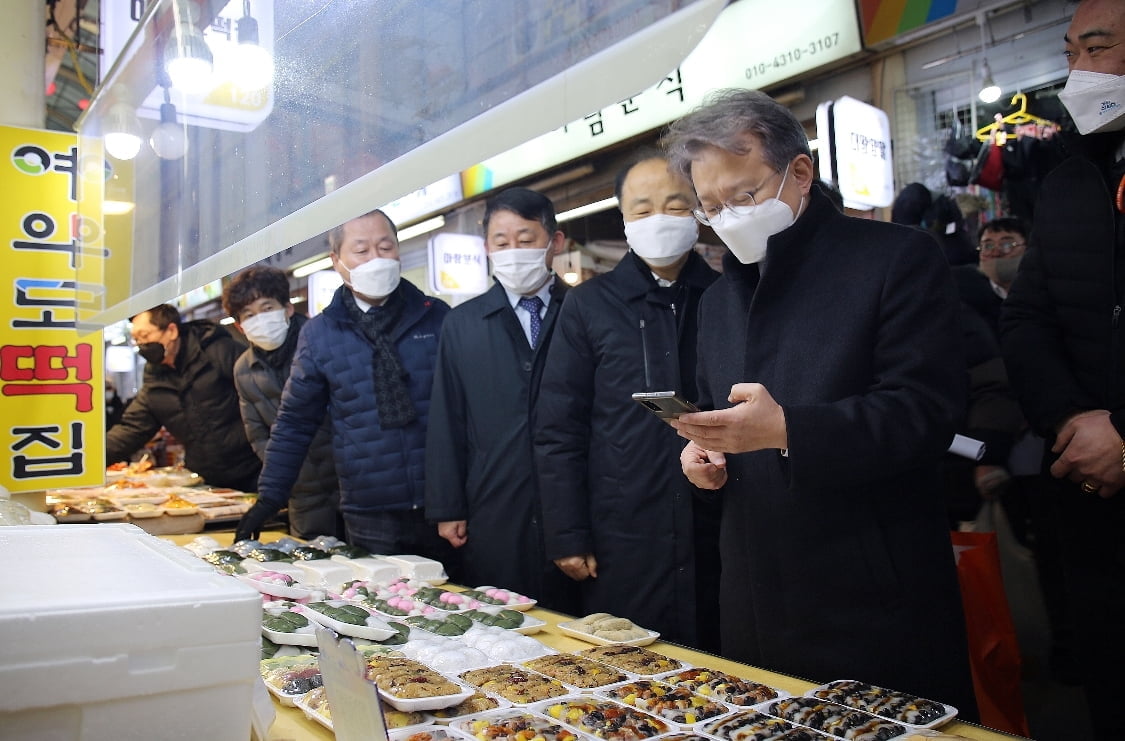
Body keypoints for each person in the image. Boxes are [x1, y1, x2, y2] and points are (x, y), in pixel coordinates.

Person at [662, 88, 976, 714]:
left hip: (872, 584)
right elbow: (728, 414)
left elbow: (926, 411)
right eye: (710, 208)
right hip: (756, 585)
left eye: (743, 196)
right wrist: (708, 451)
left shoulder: (896, 258)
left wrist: (789, 430)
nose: (727, 218)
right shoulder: (720, 299)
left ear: (799, 172)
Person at [533, 150, 720, 649]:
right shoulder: (590, 306)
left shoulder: (728, 297)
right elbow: (558, 429)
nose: (658, 218)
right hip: (623, 529)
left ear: (699, 210)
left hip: (717, 525)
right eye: (642, 208)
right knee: (632, 674)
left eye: (675, 204)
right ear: (623, 218)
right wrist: (567, 533)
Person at [1000, 1, 1125, 735]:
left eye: (1097, 46)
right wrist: (1073, 418)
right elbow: (1025, 318)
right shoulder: (1068, 180)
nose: (1076, 67)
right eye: (1069, 49)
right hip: (1087, 498)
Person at [235, 210, 455, 569]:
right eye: (362, 251)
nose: (376, 259)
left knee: (458, 609)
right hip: (370, 512)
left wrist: (462, 498)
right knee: (387, 612)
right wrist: (269, 498)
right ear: (337, 262)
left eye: (385, 247)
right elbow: (294, 422)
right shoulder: (321, 335)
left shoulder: (438, 318)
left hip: (445, 508)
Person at [425, 187, 578, 610]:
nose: (514, 251)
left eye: (526, 240)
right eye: (501, 242)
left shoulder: (585, 309)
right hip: (492, 500)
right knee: (501, 614)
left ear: (555, 242)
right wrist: (447, 506)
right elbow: (446, 420)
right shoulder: (463, 323)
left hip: (574, 502)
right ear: (487, 248)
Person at [223, 266, 342, 540]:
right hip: (302, 496)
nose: (260, 319)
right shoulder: (244, 369)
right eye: (249, 315)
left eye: (267, 308)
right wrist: (289, 477)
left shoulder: (322, 343)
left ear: (287, 308)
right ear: (240, 327)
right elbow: (258, 435)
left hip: (351, 486)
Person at [106, 304, 262, 491]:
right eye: (136, 340)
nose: (141, 345)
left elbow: (265, 397)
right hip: (205, 481)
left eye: (145, 336)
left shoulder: (218, 351)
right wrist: (86, 462)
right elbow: (132, 428)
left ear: (171, 330)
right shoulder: (155, 380)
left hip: (256, 471)